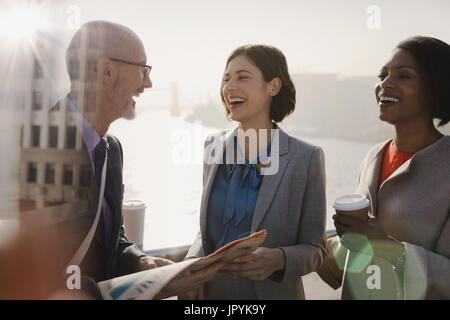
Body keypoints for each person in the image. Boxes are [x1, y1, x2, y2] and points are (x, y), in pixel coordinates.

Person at [19, 20, 222, 299]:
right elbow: (30, 269)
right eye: (142, 70)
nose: (148, 83)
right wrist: (135, 290)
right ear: (106, 70)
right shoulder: (36, 147)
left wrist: (139, 261)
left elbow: (109, 238)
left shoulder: (112, 149)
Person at [184, 44, 327, 300]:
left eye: (242, 77)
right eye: (226, 79)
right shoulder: (212, 146)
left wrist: (279, 259)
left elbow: (317, 249)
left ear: (273, 86)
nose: (229, 87)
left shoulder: (306, 158)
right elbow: (205, 233)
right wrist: (190, 269)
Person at [329, 36, 450, 299]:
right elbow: (358, 250)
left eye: (404, 76)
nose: (385, 84)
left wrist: (387, 246)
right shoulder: (373, 156)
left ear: (436, 89)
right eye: (383, 74)